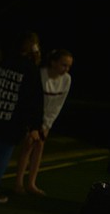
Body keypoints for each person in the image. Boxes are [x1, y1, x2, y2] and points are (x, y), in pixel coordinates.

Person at [0, 30, 44, 203]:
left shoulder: (5, 62)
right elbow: (33, 99)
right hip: (11, 121)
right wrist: (34, 126)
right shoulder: (30, 69)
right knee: (3, 154)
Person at [13, 48, 74, 195]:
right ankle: (18, 183)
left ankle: (32, 183)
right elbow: (33, 101)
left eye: (69, 66)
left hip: (46, 119)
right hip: (34, 117)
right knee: (27, 146)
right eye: (63, 65)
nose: (66, 69)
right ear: (53, 63)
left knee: (39, 146)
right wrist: (34, 125)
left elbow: (58, 105)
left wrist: (47, 126)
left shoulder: (67, 79)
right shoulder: (41, 75)